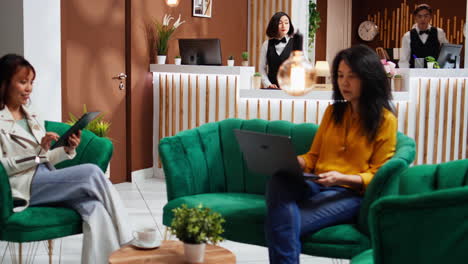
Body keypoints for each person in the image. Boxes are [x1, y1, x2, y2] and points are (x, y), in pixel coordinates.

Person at [265, 45, 397, 263]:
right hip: (316, 184)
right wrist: (295, 162)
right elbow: (313, 157)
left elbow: (378, 176)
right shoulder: (333, 112)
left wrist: (341, 177)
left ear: (369, 78)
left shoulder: (385, 121)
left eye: (352, 77)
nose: (344, 83)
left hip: (349, 193)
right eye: (340, 76)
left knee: (281, 223)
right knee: (278, 181)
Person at [0, 54, 132, 264]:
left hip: (45, 177)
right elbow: (4, 168)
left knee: (94, 207)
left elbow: (44, 158)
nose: (29, 89)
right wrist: (37, 153)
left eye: (31, 82)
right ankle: (128, 241)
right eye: (22, 82)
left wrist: (67, 148)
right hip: (21, 187)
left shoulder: (32, 115)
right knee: (91, 172)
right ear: (4, 83)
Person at [399, 4, 448, 68]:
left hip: (435, 72)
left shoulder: (439, 32)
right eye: (419, 16)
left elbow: (446, 52)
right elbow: (404, 59)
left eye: (426, 16)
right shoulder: (407, 36)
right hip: (415, 73)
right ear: (415, 18)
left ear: (430, 17)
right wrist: (406, 75)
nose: (423, 19)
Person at [259, 12, 295, 89]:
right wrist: (268, 84)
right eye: (280, 23)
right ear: (274, 25)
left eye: (286, 23)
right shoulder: (266, 44)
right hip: (272, 89)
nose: (284, 26)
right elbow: (262, 68)